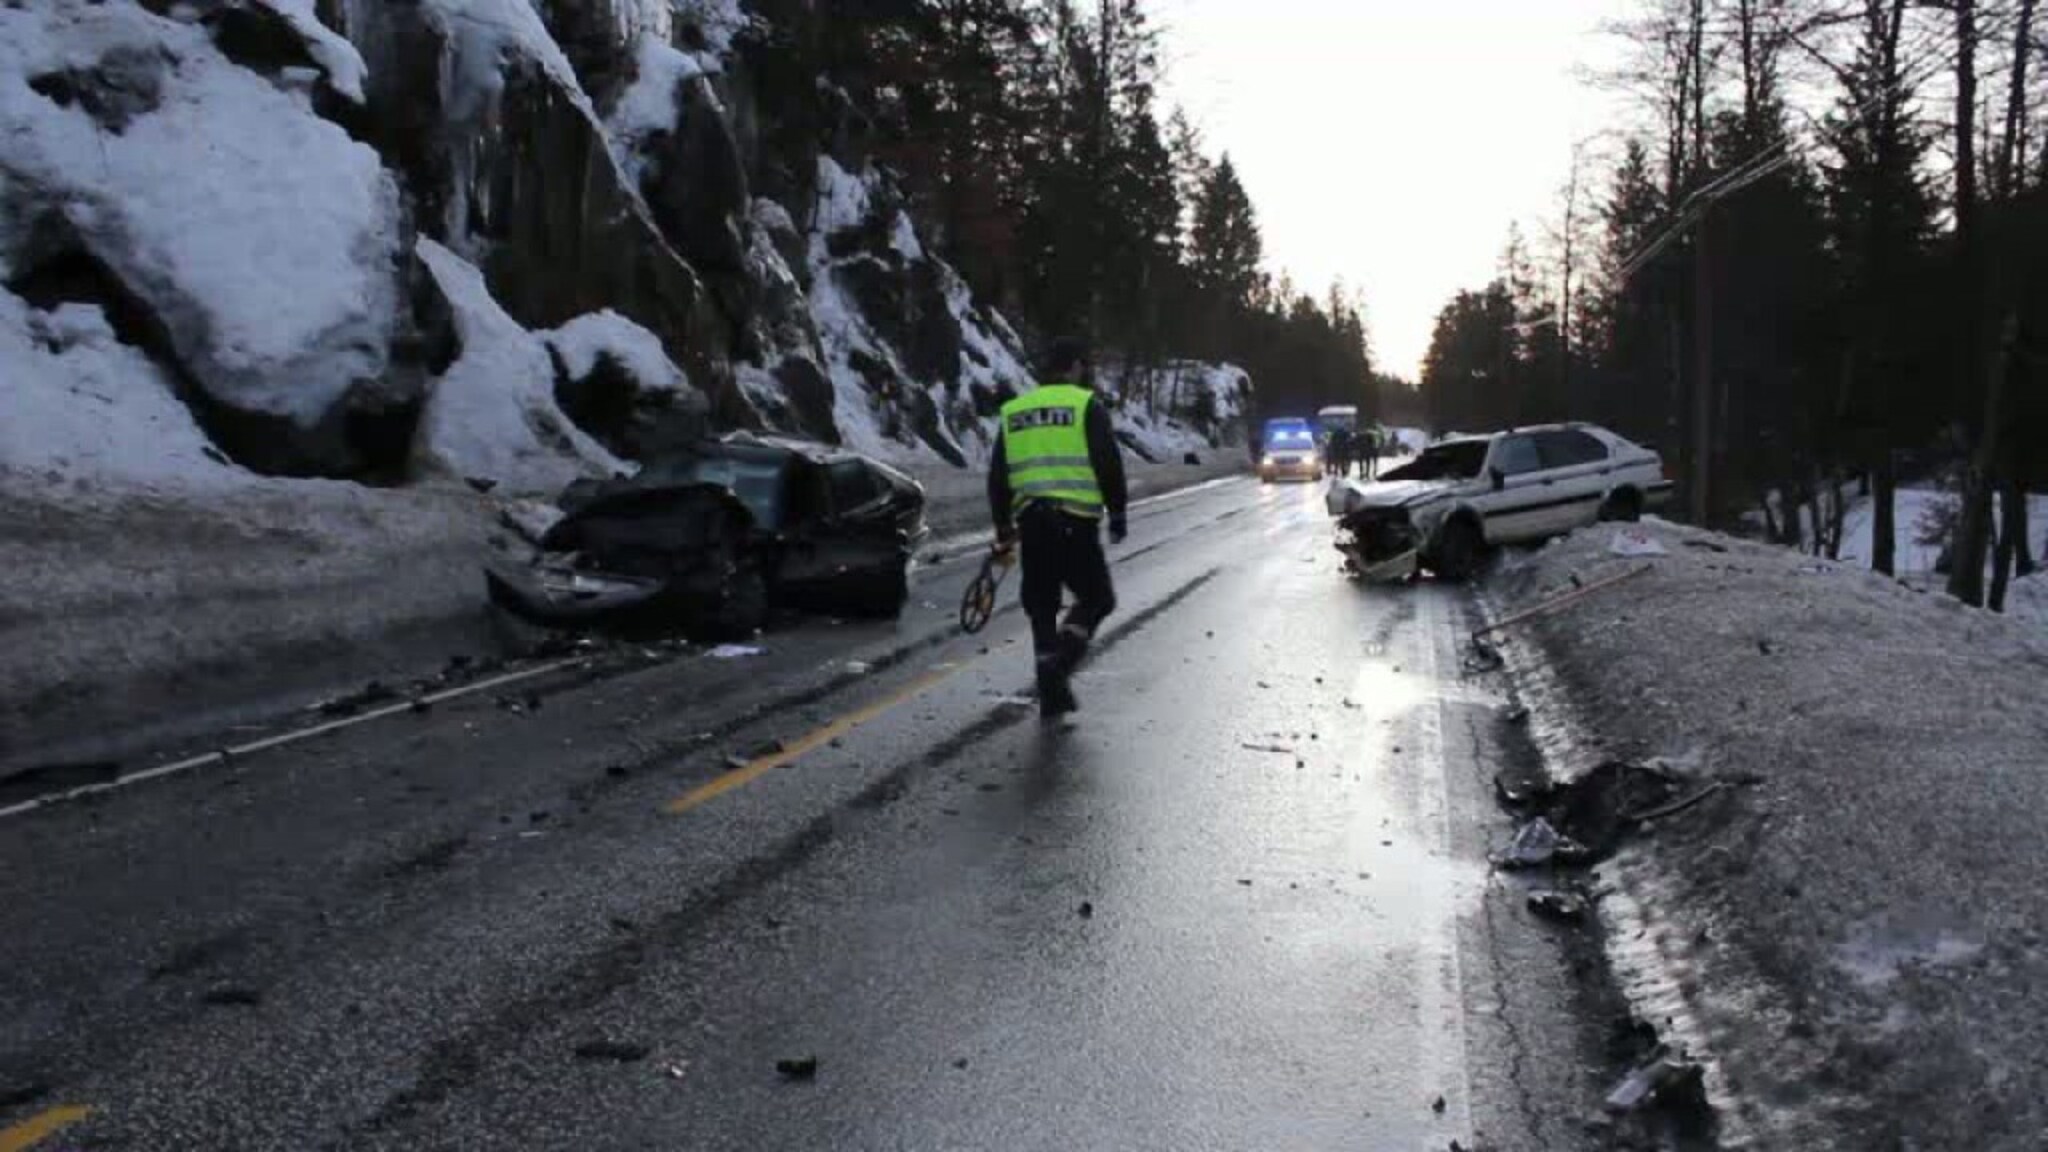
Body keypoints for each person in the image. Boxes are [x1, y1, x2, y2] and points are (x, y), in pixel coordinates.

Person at [988, 340, 1128, 718]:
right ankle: (1060, 664)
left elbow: (998, 475)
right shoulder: (1086, 406)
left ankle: (1050, 692)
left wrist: (1002, 525)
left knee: (1042, 606)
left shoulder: (1015, 412)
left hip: (1032, 523)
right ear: (1074, 367)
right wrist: (1117, 512)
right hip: (1074, 522)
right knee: (1097, 599)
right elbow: (1107, 462)